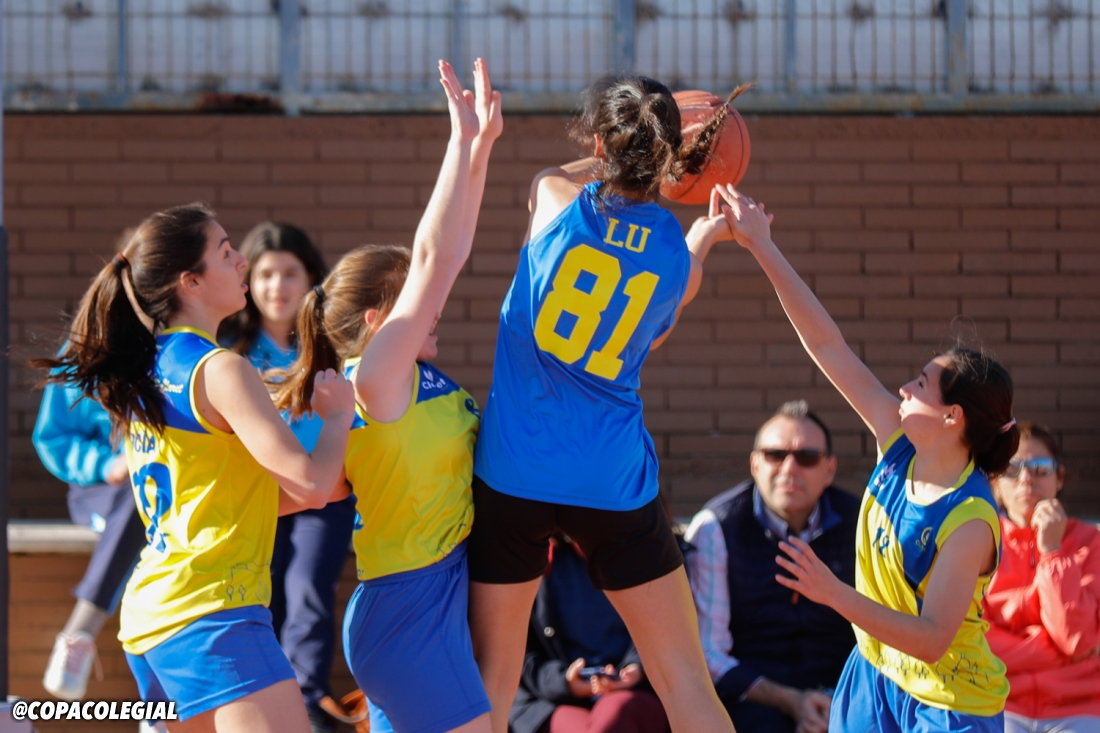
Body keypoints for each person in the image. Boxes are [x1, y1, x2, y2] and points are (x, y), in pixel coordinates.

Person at [467, 74, 740, 733]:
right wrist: (701, 230)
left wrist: (625, 154)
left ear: (598, 142)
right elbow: (660, 324)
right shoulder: (674, 253)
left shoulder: (554, 197)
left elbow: (556, 175)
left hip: (515, 471)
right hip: (611, 481)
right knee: (683, 679)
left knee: (493, 679)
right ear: (669, 158)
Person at [34, 202, 355, 732]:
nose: (242, 261)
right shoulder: (221, 369)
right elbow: (313, 486)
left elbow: (225, 495)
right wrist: (339, 416)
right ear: (191, 282)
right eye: (226, 253)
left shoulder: (147, 364)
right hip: (212, 615)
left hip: (157, 615)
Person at [723, 185, 1015, 732]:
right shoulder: (898, 444)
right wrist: (762, 245)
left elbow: (932, 640)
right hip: (876, 673)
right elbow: (827, 344)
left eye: (921, 384)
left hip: (947, 698)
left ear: (952, 417)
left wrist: (834, 594)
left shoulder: (970, 520)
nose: (903, 388)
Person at [274, 58, 501, 733]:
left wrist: (481, 153)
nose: (435, 305)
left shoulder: (412, 380)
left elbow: (451, 253)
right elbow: (437, 257)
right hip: (408, 608)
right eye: (413, 301)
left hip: (429, 598)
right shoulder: (375, 379)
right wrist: (458, 144)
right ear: (378, 321)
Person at [219, 222, 356, 733]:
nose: (278, 286)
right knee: (264, 591)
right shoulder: (229, 350)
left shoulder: (330, 344)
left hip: (327, 491)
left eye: (290, 273)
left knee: (309, 590)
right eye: (265, 274)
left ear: (311, 277)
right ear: (248, 282)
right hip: (261, 493)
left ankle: (307, 701)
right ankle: (263, 702)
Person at [684, 400, 858, 733]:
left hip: (842, 694)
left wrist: (834, 700)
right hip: (752, 699)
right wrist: (792, 701)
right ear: (755, 464)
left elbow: (882, 635)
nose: (789, 469)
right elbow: (707, 652)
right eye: (775, 455)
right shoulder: (715, 527)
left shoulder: (863, 525)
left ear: (830, 469)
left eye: (807, 457)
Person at [33, 376, 146, 701]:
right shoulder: (81, 357)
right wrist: (106, 464)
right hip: (103, 487)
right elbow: (54, 436)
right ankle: (81, 628)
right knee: (141, 496)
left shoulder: (188, 352)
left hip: (169, 492)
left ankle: (159, 706)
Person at [984, 421, 1100, 733]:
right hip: (998, 702)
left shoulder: (1091, 543)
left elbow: (1076, 637)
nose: (1026, 479)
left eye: (1040, 468)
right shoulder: (979, 540)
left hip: (1079, 705)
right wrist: (1056, 651)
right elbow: (975, 640)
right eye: (1012, 469)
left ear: (1059, 478)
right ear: (995, 484)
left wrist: (1052, 551)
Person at [510, 534, 671, 733]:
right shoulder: (532, 558)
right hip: (551, 699)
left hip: (636, 692)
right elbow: (520, 656)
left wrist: (636, 668)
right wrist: (564, 682)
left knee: (615, 716)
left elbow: (669, 633)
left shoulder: (652, 555)